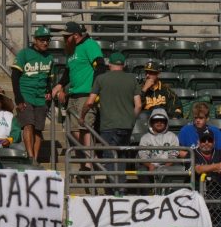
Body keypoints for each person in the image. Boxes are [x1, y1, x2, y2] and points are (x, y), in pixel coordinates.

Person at [82, 52, 141, 193]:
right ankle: (120, 188)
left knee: (109, 158)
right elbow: (138, 105)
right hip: (126, 126)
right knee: (121, 158)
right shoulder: (132, 79)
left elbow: (90, 102)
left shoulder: (101, 79)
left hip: (108, 126)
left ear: (109, 64)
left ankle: (115, 191)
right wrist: (131, 120)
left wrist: (82, 115)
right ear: (124, 65)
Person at [51, 21, 105, 154]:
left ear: (75, 35)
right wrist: (59, 85)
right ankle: (86, 161)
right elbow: (68, 72)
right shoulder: (72, 49)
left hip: (86, 94)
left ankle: (89, 164)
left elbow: (100, 66)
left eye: (66, 36)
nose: (64, 39)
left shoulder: (89, 45)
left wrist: (94, 92)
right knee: (74, 130)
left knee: (85, 129)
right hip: (73, 95)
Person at [11, 26, 54, 162]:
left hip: (41, 98)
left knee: (38, 129)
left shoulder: (50, 57)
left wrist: (48, 90)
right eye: (42, 40)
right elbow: (15, 76)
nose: (45, 43)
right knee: (28, 125)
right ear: (35, 40)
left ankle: (35, 159)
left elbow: (49, 79)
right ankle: (30, 156)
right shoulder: (24, 54)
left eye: (47, 40)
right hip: (26, 95)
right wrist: (18, 98)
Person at [138, 108, 185, 191]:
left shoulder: (172, 136)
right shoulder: (145, 138)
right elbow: (143, 154)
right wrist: (149, 165)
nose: (159, 122)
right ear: (151, 122)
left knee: (178, 167)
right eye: (156, 120)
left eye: (162, 120)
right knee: (142, 170)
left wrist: (166, 166)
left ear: (166, 122)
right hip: (151, 165)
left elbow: (174, 154)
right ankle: (147, 196)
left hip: (169, 164)